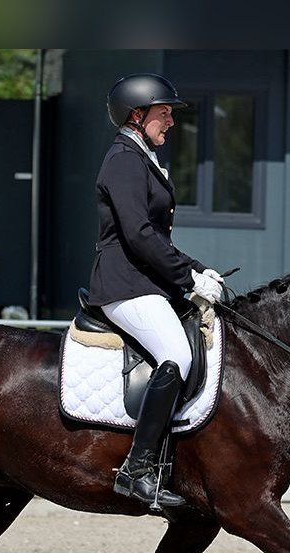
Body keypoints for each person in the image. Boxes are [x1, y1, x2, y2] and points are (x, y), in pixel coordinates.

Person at [88, 73, 226, 509]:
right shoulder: (124, 159)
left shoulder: (141, 156)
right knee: (178, 355)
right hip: (125, 285)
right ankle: (138, 469)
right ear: (137, 114)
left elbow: (157, 241)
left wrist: (200, 270)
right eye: (163, 112)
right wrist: (188, 280)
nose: (171, 120)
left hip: (145, 281)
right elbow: (140, 235)